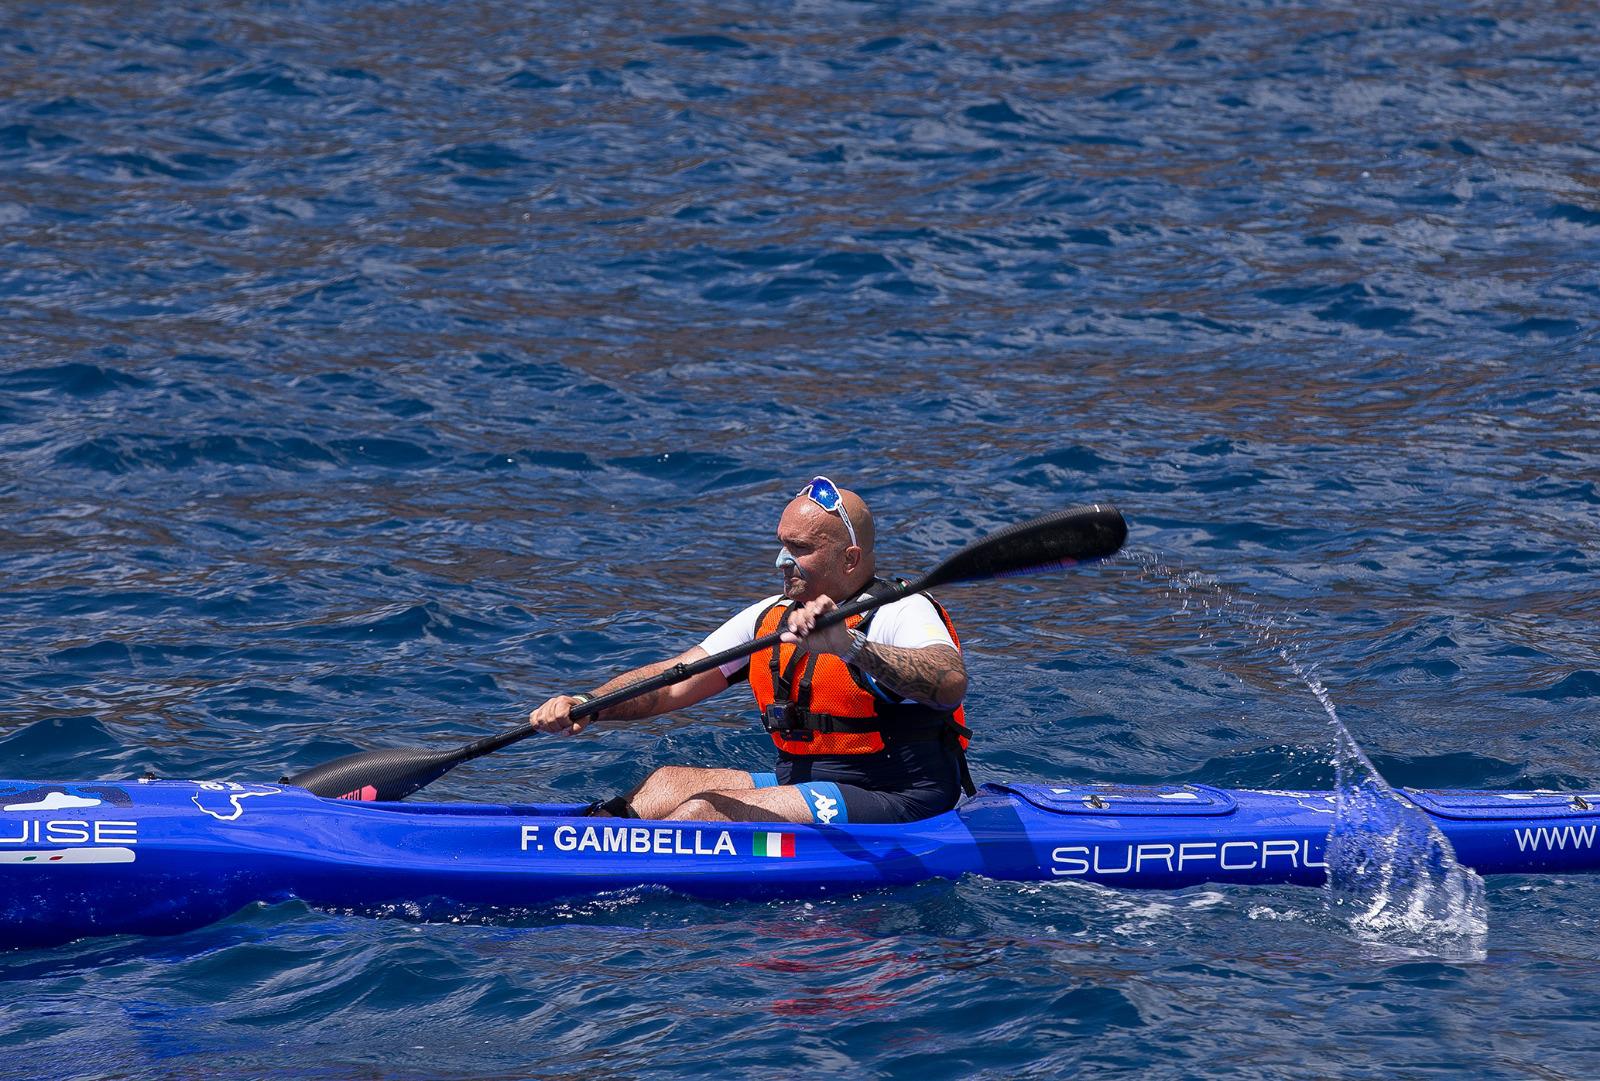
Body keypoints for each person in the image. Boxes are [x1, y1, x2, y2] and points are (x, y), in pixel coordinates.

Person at [527, 476, 972, 825]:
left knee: (706, 814)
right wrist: (590, 704)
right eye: (781, 544)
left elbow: (948, 685)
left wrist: (848, 645)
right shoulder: (769, 616)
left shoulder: (902, 609)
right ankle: (587, 853)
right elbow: (674, 681)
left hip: (899, 792)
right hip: (802, 780)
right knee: (664, 786)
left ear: (850, 560)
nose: (781, 561)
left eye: (799, 549)